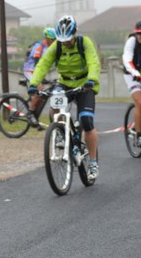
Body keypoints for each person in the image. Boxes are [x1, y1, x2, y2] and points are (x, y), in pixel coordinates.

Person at [28, 14, 101, 180]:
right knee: (54, 107)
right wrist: (33, 83)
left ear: (74, 33)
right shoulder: (57, 46)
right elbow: (43, 64)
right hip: (65, 83)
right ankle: (61, 133)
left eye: (67, 39)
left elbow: (93, 62)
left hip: (84, 85)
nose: (65, 42)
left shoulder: (84, 42)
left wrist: (92, 80)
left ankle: (92, 162)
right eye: (62, 39)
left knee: (87, 122)